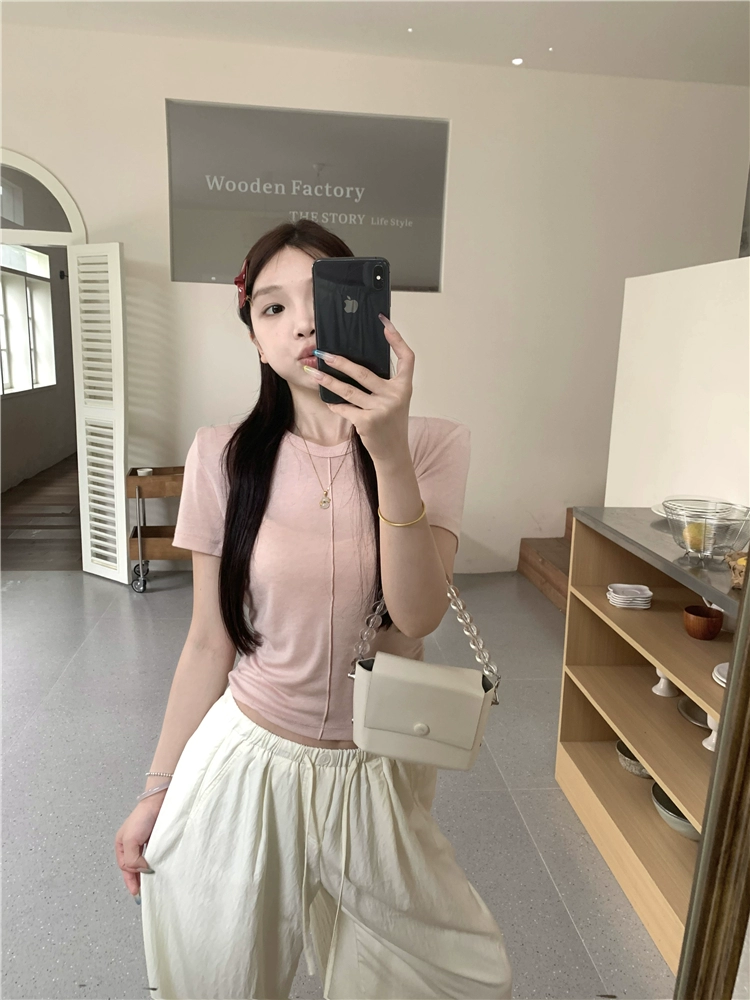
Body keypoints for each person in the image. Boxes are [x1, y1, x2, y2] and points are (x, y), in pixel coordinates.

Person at [114, 220, 513, 1000]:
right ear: (256, 340)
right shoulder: (222, 455)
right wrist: (155, 790)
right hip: (247, 763)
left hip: (376, 772)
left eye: (320, 298)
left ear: (365, 310)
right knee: (221, 975)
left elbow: (417, 616)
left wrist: (387, 450)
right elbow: (208, 644)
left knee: (444, 978)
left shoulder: (433, 445)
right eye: (272, 307)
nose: (301, 323)